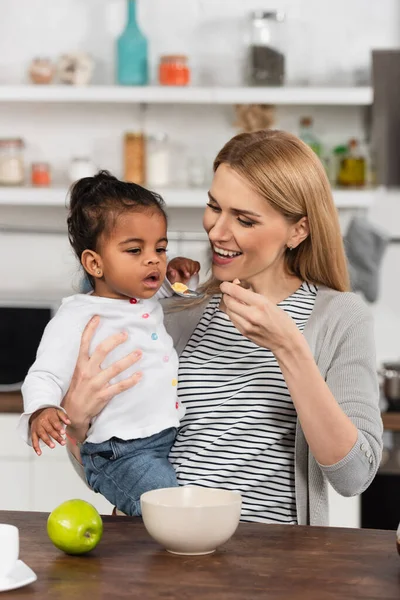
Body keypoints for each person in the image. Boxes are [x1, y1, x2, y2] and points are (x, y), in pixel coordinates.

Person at [63, 130, 382, 525]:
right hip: (154, 557)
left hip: (267, 571)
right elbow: (112, 463)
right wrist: (77, 425)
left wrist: (289, 349)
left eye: (244, 219)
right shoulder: (175, 312)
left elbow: (355, 476)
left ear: (298, 230)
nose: (216, 231)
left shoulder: (340, 317)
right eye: (214, 206)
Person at [18, 171, 199, 516]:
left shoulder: (143, 297)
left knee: (162, 517)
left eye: (160, 248)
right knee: (171, 512)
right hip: (119, 451)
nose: (153, 259)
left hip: (163, 437)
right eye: (135, 250)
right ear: (94, 263)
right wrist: (41, 409)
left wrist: (178, 273)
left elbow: (175, 292)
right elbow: (43, 374)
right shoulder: (77, 316)